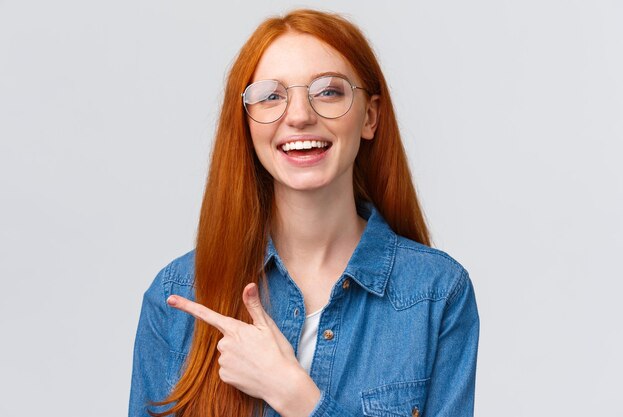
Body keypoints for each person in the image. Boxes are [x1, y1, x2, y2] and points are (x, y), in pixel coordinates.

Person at [129, 8, 479, 417]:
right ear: (246, 124)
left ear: (370, 116)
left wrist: (295, 395)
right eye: (271, 96)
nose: (299, 116)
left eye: (328, 91)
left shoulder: (435, 293)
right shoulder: (179, 296)